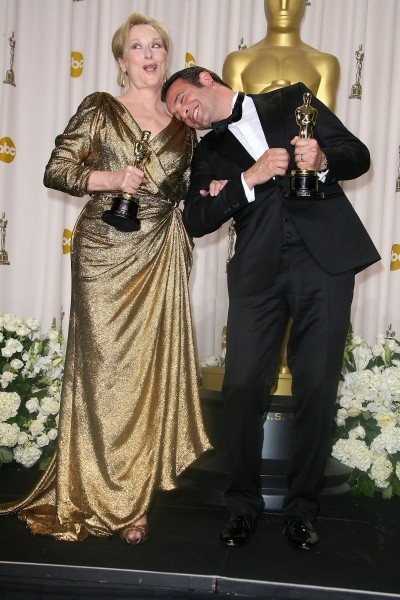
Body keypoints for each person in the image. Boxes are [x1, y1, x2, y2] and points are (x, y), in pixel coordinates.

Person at [0, 13, 211, 544]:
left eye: (157, 45)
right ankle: (89, 490)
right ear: (121, 62)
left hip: (161, 250)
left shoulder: (187, 124)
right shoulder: (99, 108)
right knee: (103, 377)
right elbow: (58, 170)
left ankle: (133, 501)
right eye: (137, 46)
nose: (149, 53)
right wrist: (112, 177)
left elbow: (192, 190)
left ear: (166, 57)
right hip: (103, 254)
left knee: (145, 380)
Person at [161, 67, 380, 550]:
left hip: (323, 263)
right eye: (175, 110)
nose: (182, 111)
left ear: (204, 78)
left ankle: (303, 510)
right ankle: (242, 506)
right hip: (257, 276)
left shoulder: (291, 101)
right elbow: (196, 220)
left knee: (317, 385)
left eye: (180, 97)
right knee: (242, 387)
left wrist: (322, 159)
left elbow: (357, 154)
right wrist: (247, 179)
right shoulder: (208, 152)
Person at [222, 0, 340, 111]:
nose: (284, 6)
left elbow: (324, 125)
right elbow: (234, 122)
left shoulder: (325, 65)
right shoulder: (237, 63)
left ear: (305, 2)